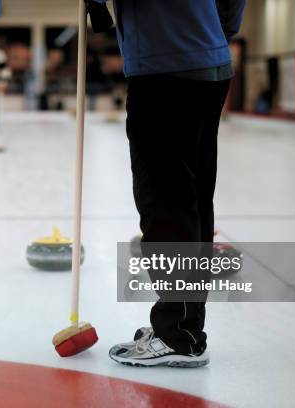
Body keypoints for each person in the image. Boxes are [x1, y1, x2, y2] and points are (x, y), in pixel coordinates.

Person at [90, 0, 246, 367]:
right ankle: (185, 327)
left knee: (165, 201)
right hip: (207, 62)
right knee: (191, 199)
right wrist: (212, 35)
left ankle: (177, 333)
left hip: (165, 66)